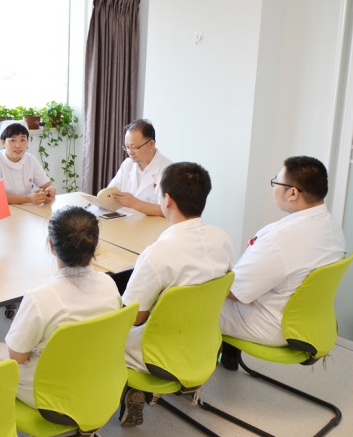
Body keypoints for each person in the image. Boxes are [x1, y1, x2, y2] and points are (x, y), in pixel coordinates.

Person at [120, 162, 234, 427]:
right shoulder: (222, 238)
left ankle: (135, 386)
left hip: (157, 352)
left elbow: (134, 317)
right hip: (205, 341)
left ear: (167, 199)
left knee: (105, 331)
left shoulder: (158, 254)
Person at [0, 206, 122, 408]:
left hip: (53, 390)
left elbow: (17, 357)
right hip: (98, 376)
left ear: (52, 245)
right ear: (94, 244)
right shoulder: (109, 285)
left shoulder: (39, 298)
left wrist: (24, 327)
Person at [219, 156, 345, 354]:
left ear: (293, 193)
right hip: (305, 320)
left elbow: (234, 292)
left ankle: (184, 366)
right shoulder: (332, 227)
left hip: (270, 324)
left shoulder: (279, 240)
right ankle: (227, 353)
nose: (274, 188)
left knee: (185, 302)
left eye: (276, 182)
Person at [106, 119, 172, 216]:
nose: (130, 152)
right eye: (127, 147)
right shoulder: (128, 164)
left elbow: (167, 210)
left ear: (151, 144)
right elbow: (110, 193)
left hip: (153, 224)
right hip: (128, 220)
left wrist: (134, 203)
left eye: (134, 147)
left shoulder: (168, 170)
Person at [0, 120, 55, 205]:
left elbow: (48, 185)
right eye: (12, 140)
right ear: (3, 142)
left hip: (23, 207)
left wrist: (50, 193)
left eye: (22, 140)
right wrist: (28, 198)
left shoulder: (30, 159)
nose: (18, 145)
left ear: (27, 141)